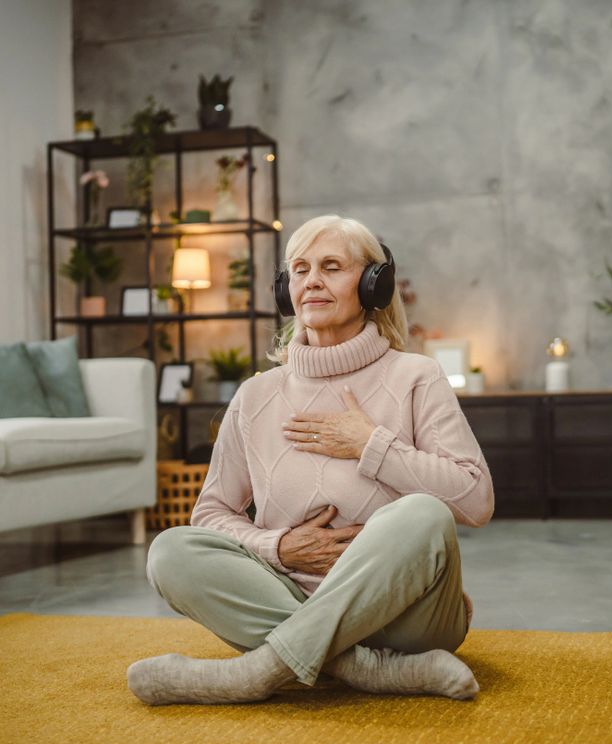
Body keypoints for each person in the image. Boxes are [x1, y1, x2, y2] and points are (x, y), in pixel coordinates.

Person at [127, 214, 494, 706]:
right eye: (299, 270)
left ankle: (254, 674)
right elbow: (211, 515)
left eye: (331, 267)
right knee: (170, 551)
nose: (311, 281)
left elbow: (476, 500)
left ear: (372, 283)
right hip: (290, 599)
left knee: (423, 514)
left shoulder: (416, 377)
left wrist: (371, 445)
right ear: (287, 290)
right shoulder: (256, 394)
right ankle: (367, 669)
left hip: (407, 617)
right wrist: (279, 548)